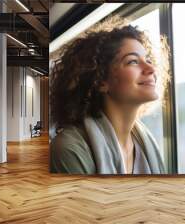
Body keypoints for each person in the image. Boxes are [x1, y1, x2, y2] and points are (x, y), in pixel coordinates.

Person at [49, 16, 170, 175]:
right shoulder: (69, 148)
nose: (151, 69)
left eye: (147, 59)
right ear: (100, 81)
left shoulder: (147, 143)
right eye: (132, 61)